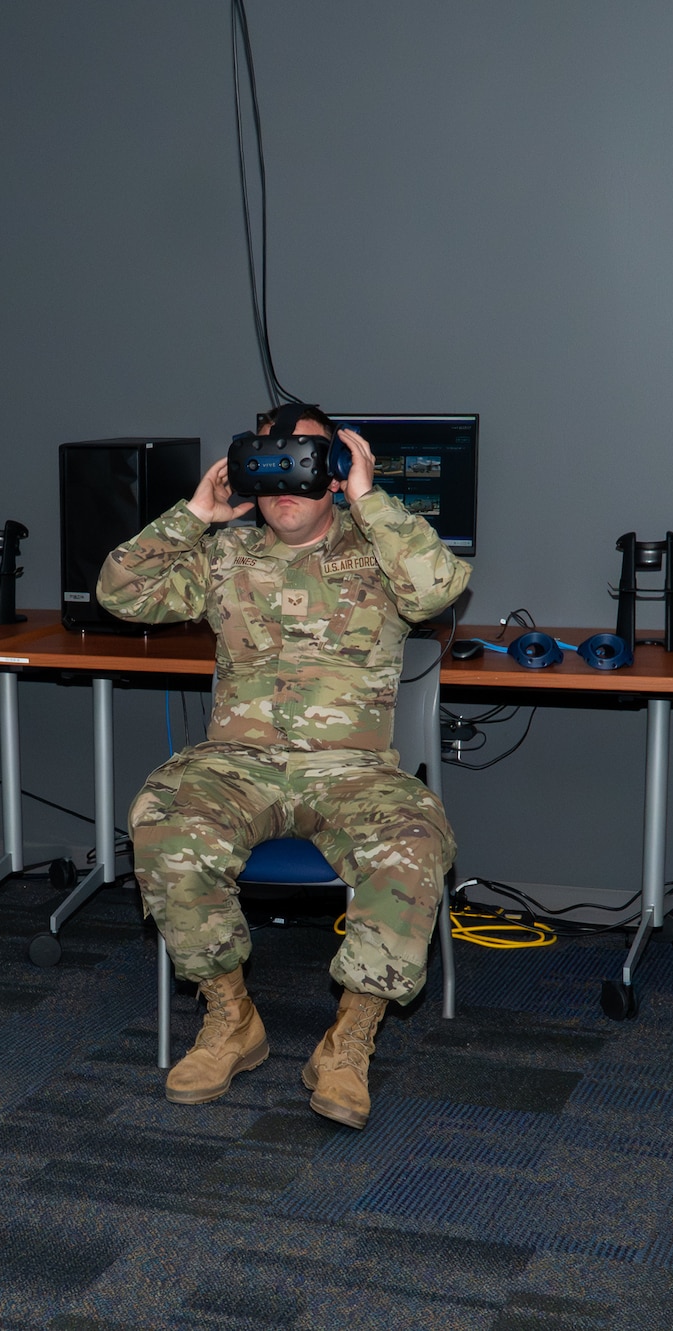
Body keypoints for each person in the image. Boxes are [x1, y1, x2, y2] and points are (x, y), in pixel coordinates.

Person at [97, 403, 471, 1129]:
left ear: (332, 470)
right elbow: (120, 592)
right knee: (161, 817)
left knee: (414, 842)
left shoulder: (381, 552)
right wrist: (196, 514)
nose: (285, 481)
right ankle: (231, 1017)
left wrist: (367, 495)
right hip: (237, 765)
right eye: (268, 463)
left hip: (353, 771)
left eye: (305, 461)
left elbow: (439, 588)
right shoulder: (225, 557)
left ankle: (349, 1039)